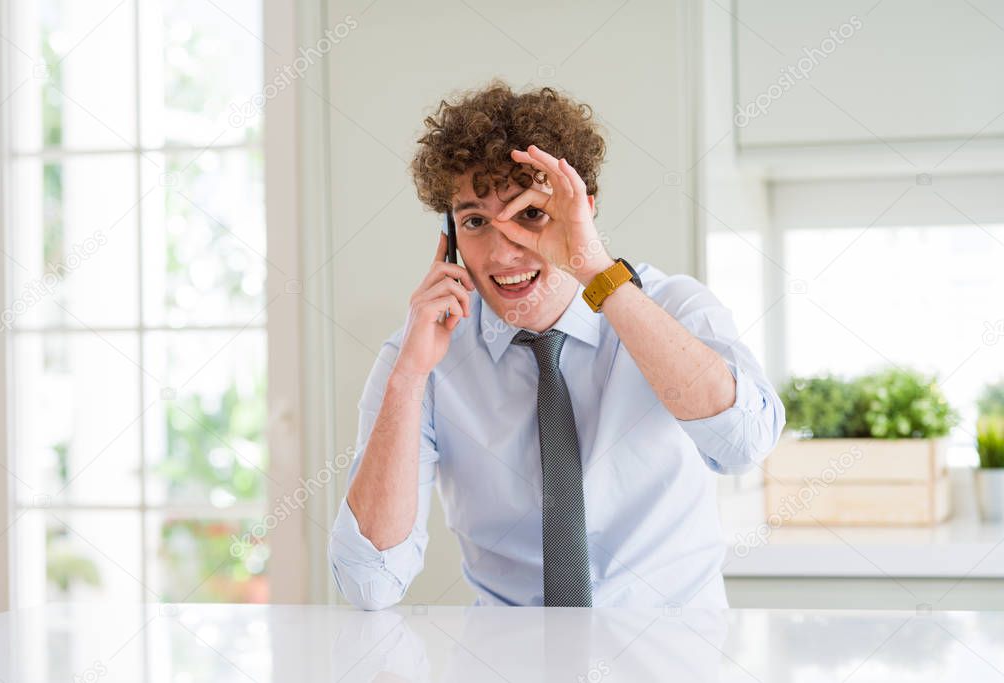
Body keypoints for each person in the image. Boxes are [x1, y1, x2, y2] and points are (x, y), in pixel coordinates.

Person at [329, 80, 785, 610]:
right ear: (451, 237)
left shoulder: (673, 307)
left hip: (671, 657)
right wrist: (407, 380)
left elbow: (744, 445)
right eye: (475, 221)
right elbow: (369, 585)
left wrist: (597, 271)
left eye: (530, 214)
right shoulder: (421, 355)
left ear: (582, 212)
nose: (504, 253)